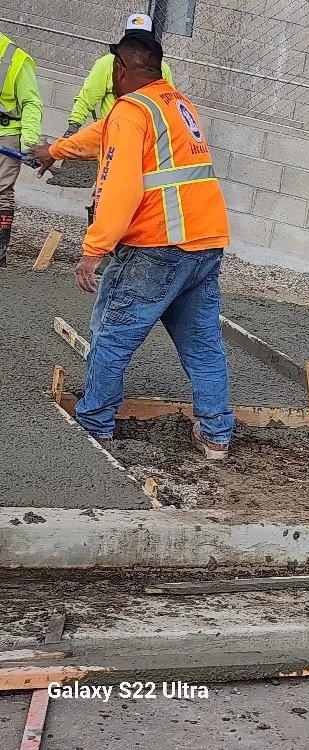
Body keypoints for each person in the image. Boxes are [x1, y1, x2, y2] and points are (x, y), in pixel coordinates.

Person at [30, 31, 232, 458]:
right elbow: (102, 134)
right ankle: (216, 434)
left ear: (119, 70)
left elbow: (119, 185)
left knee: (113, 335)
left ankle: (94, 423)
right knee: (202, 343)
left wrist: (95, 249)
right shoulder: (172, 104)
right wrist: (56, 150)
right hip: (204, 243)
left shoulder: (131, 110)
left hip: (158, 245)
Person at [64, 13, 173, 226]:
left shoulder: (162, 70)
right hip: (114, 144)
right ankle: (101, 245)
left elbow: (166, 107)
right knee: (107, 195)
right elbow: (87, 97)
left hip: (146, 147)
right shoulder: (107, 64)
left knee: (138, 198)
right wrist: (73, 127)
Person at [0, 31, 42, 267]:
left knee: (1, 190)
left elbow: (31, 103)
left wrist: (28, 142)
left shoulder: (16, 59)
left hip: (7, 132)